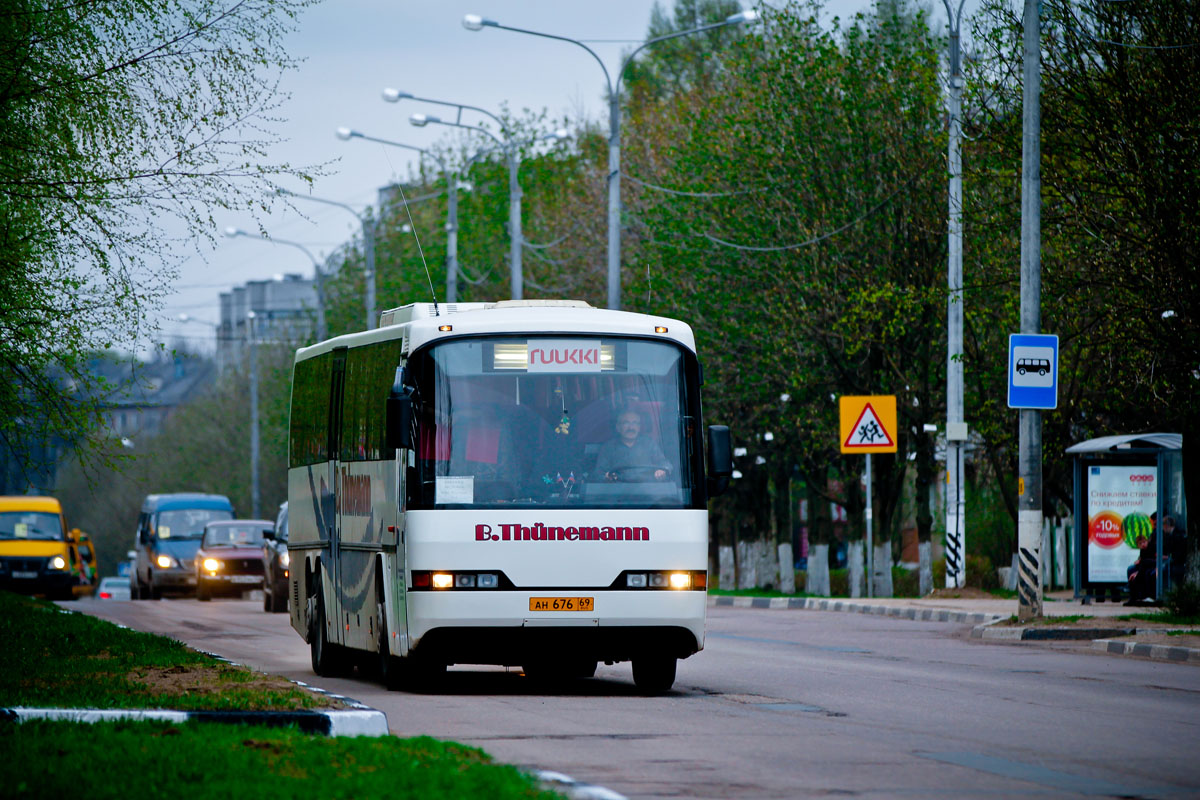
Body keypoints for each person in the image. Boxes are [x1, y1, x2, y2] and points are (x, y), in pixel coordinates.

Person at [593, 409, 672, 482]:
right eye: (626, 423)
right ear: (618, 427)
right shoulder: (608, 447)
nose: (631, 427)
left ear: (639, 427)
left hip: (647, 491)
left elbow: (665, 464)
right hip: (618, 492)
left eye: (635, 423)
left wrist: (662, 470)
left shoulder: (649, 444)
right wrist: (606, 477)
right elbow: (598, 474)